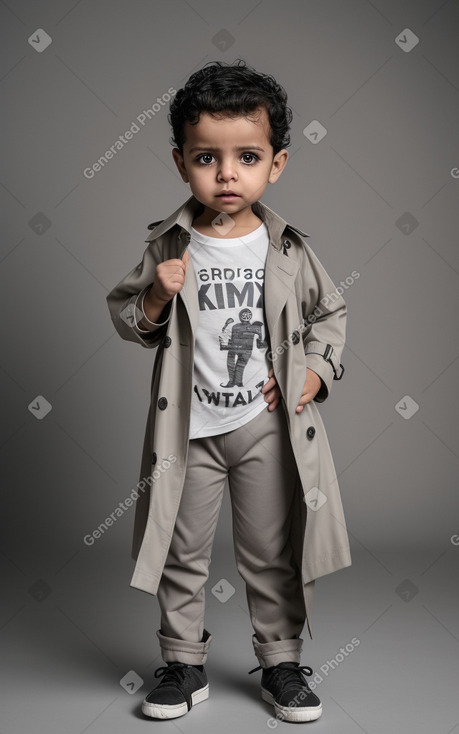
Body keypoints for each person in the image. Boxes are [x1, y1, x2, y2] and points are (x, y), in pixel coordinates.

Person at [106, 59, 351, 723]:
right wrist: (158, 293)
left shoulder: (287, 249)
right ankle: (183, 664)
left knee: (270, 554)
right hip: (188, 431)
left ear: (276, 164)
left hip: (264, 427)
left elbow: (330, 315)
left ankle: (282, 665)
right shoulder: (170, 243)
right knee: (180, 553)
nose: (225, 174)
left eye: (246, 156)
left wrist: (314, 373)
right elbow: (127, 318)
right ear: (181, 161)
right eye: (206, 158)